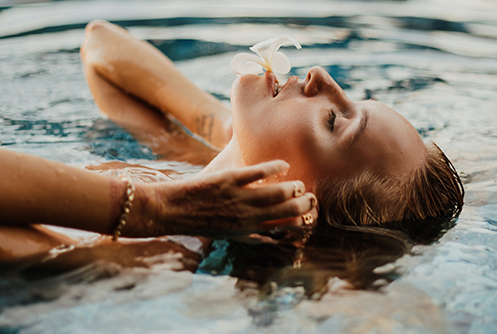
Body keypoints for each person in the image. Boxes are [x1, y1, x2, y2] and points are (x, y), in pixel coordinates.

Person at [0, 20, 463, 267]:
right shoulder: (190, 173)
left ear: (293, 202)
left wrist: (154, 211)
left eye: (333, 120)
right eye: (358, 99)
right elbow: (101, 47)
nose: (324, 78)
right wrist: (233, 131)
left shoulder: (143, 255)